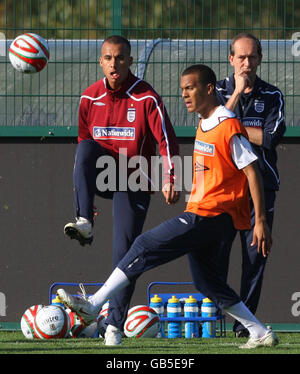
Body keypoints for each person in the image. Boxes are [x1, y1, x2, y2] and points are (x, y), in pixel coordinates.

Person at [57, 64, 278, 349]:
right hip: (206, 214)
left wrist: (259, 220)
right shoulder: (206, 121)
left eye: (191, 88)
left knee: (143, 245)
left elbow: (252, 171)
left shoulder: (227, 124)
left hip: (211, 215)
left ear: (209, 89)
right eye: (182, 89)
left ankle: (93, 304)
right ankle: (258, 331)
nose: (185, 94)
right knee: (207, 282)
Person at [63, 35, 180, 345]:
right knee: (86, 149)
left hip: (134, 181)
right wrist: (87, 194)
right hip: (105, 175)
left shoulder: (146, 97)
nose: (114, 63)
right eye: (108, 58)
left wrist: (170, 177)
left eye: (120, 58)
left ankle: (114, 326)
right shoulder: (89, 98)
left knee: (124, 254)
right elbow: (83, 149)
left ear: (130, 61)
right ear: (101, 62)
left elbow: (166, 139)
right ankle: (85, 221)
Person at [216, 33, 286, 337]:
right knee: (214, 256)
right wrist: (236, 97)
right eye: (240, 57)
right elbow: (213, 126)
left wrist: (233, 129)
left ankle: (244, 327)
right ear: (231, 59)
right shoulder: (216, 90)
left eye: (251, 57)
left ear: (259, 59)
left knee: (255, 259)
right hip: (223, 188)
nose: (246, 63)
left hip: (261, 187)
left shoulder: (273, 96)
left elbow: (270, 138)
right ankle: (212, 319)